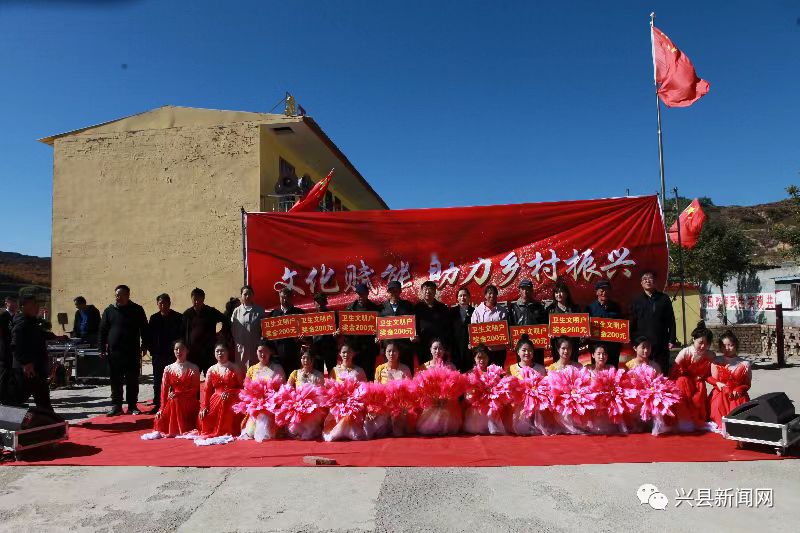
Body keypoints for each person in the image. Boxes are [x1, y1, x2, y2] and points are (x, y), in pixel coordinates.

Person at [99, 285, 148, 416]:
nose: (118, 298)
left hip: (132, 351)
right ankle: (117, 406)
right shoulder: (109, 311)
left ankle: (132, 406)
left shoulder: (137, 310)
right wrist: (101, 348)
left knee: (132, 380)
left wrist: (145, 345)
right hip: (114, 352)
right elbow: (102, 331)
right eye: (116, 295)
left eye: (121, 295)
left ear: (128, 295)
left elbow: (144, 329)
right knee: (115, 380)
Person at [10, 295, 53, 411]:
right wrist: (25, 363)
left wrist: (55, 337)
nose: (37, 307)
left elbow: (38, 335)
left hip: (36, 367)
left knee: (43, 399)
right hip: (27, 369)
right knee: (17, 400)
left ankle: (49, 419)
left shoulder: (31, 322)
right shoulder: (21, 323)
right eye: (33, 304)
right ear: (23, 307)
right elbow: (16, 346)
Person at [670, 321, 715, 431]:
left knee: (701, 388)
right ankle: (684, 420)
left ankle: (697, 419)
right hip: (683, 382)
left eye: (706, 344)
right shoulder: (685, 352)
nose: (703, 346)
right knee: (682, 382)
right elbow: (674, 372)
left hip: (698, 382)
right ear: (694, 339)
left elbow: (711, 374)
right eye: (700, 342)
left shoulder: (710, 355)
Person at [630, 271, 677, 374]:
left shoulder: (664, 298)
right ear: (641, 283)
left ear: (655, 282)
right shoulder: (637, 301)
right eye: (645, 279)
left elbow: (671, 320)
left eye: (650, 278)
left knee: (662, 371)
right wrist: (633, 341)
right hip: (643, 344)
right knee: (643, 372)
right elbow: (633, 322)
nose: (647, 281)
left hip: (661, 342)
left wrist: (671, 339)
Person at [153, 340, 200, 436]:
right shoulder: (168, 368)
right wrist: (161, 408)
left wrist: (179, 394)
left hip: (189, 401)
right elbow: (164, 391)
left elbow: (195, 389)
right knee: (160, 418)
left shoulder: (194, 368)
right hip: (174, 402)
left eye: (182, 349)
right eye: (176, 349)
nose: (179, 351)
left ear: (187, 350)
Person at [147, 293, 184, 414]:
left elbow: (182, 335)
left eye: (165, 303)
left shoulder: (178, 317)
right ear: (157, 304)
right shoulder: (154, 318)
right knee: (158, 381)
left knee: (175, 381)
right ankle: (158, 404)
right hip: (158, 355)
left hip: (173, 355)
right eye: (160, 303)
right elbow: (149, 335)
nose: (163, 305)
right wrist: (151, 350)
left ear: (169, 303)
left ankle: (175, 404)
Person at [199, 343, 245, 437]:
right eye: (217, 351)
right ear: (214, 353)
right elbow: (207, 390)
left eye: (222, 351)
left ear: (228, 352)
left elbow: (243, 388)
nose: (220, 353)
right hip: (215, 400)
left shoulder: (236, 368)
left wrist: (231, 392)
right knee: (204, 417)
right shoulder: (211, 369)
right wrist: (204, 407)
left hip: (233, 399)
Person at [708, 330, 752, 429]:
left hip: (737, 395)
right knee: (718, 406)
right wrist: (717, 383)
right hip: (720, 394)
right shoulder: (716, 361)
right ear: (720, 347)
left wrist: (739, 389)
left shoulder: (745, 363)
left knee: (738, 419)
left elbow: (747, 384)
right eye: (724, 346)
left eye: (730, 345)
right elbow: (711, 378)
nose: (727, 348)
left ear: (736, 345)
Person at [183, 288, 229, 374]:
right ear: (191, 299)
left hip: (208, 351)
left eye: (199, 299)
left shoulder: (211, 311)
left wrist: (221, 333)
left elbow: (226, 320)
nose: (197, 302)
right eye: (194, 299)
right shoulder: (187, 314)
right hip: (193, 353)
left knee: (210, 376)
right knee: (193, 377)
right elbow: (183, 332)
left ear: (203, 299)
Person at [344, 283, 381, 379]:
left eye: (362, 294)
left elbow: (380, 326)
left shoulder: (375, 308)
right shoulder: (350, 309)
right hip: (355, 348)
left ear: (367, 294)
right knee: (356, 374)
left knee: (369, 374)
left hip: (369, 348)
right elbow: (346, 329)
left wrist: (377, 333)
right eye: (358, 294)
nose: (360, 296)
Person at [378, 280, 416, 371]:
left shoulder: (408, 306)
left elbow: (414, 323)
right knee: (390, 372)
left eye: (396, 291)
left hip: (405, 347)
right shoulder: (382, 307)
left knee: (406, 372)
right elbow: (378, 326)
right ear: (388, 292)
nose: (393, 293)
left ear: (400, 291)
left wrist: (414, 335)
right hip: (389, 348)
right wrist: (378, 338)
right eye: (391, 291)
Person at [585, 280, 623, 369]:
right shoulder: (590, 308)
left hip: (612, 348)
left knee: (612, 370)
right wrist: (586, 333)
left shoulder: (616, 307)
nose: (604, 293)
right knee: (597, 370)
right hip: (597, 348)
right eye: (602, 291)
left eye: (607, 290)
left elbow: (622, 326)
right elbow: (585, 327)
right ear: (597, 292)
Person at [508, 280, 548, 365]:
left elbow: (546, 325)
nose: (525, 292)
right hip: (521, 346)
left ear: (532, 291)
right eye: (523, 289)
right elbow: (510, 326)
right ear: (519, 290)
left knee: (538, 368)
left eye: (527, 289)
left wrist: (547, 341)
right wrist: (512, 342)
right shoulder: (513, 308)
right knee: (522, 369)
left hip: (537, 346)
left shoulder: (539, 307)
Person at [414, 281, 452, 366]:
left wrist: (447, 346)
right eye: (425, 289)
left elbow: (448, 327)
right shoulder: (416, 308)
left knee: (441, 368)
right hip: (423, 346)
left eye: (430, 289)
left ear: (435, 291)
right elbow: (413, 326)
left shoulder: (443, 308)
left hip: (439, 347)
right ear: (422, 291)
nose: (427, 291)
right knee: (425, 369)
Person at [267, 288, 304, 373]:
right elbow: (268, 335)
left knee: (293, 378)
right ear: (279, 298)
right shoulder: (274, 314)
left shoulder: (299, 313)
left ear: (291, 298)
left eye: (287, 298)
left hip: (294, 354)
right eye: (282, 297)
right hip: (277, 356)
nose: (284, 300)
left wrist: (303, 338)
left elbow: (306, 335)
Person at [470, 285, 508, 367]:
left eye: (494, 293)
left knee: (498, 371)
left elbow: (507, 329)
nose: (492, 295)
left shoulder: (503, 310)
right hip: (484, 350)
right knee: (484, 371)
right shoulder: (478, 311)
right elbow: (473, 329)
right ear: (485, 295)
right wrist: (472, 342)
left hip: (499, 349)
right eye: (490, 293)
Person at [545, 282, 581, 362]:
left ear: (567, 293)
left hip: (572, 344)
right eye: (556, 292)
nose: (558, 294)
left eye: (561, 292)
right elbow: (546, 327)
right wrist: (549, 334)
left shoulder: (575, 309)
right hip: (557, 345)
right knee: (559, 366)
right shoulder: (550, 309)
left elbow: (581, 326)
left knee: (573, 366)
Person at [230, 285, 265, 367]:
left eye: (250, 294)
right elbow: (233, 329)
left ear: (253, 295)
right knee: (241, 369)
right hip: (241, 348)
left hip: (255, 347)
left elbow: (264, 330)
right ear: (241, 295)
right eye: (245, 294)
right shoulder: (236, 311)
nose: (247, 296)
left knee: (256, 369)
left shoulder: (260, 311)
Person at [309, 293, 337, 375]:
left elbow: (339, 332)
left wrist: (337, 335)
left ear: (326, 302)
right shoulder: (311, 318)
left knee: (333, 374)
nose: (320, 304)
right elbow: (308, 335)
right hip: (316, 351)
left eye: (322, 301)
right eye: (318, 302)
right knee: (317, 375)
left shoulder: (333, 315)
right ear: (314, 303)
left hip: (330, 350)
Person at [450, 286, 475, 372]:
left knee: (470, 371)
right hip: (456, 347)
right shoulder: (452, 312)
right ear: (457, 298)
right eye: (460, 296)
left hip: (470, 348)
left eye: (465, 295)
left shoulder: (474, 311)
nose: (463, 298)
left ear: (469, 297)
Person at [0, 296, 18, 404]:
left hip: (14, 351)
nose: (15, 304)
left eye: (16, 302)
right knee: (4, 374)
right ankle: (3, 397)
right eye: (12, 302)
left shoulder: (17, 317)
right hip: (4, 350)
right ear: (6, 303)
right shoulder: (3, 316)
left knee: (13, 374)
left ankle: (10, 396)